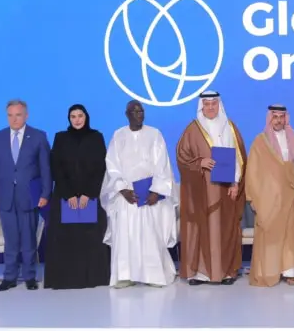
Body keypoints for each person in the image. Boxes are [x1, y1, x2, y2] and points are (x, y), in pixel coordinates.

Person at [99, 100, 178, 288]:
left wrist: (156, 191)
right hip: (126, 196)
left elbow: (162, 165)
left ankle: (154, 275)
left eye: (141, 111)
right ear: (127, 114)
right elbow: (112, 166)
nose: (139, 114)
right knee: (126, 237)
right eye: (134, 111)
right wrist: (122, 189)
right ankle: (125, 276)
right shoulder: (118, 135)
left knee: (150, 236)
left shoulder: (154, 134)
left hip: (149, 195)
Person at [177, 90, 247, 285]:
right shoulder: (192, 129)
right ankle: (201, 274)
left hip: (225, 189)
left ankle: (226, 273)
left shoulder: (230, 127)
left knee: (225, 229)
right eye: (206, 104)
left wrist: (235, 183)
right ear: (202, 106)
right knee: (201, 229)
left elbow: (239, 158)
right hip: (201, 190)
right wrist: (200, 162)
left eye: (213, 104)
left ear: (219, 105)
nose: (210, 108)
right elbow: (182, 157)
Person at [0, 99, 52, 292]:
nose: (14, 119)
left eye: (18, 115)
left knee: (29, 239)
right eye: (10, 115)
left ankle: (30, 277)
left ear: (26, 115)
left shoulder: (38, 136)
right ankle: (9, 277)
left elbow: (46, 169)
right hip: (5, 197)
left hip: (29, 197)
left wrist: (45, 193)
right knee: (10, 240)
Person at [44, 104, 111, 290]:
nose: (77, 120)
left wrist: (88, 194)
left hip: (91, 197)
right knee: (66, 239)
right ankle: (66, 279)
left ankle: (93, 278)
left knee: (91, 238)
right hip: (65, 197)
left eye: (80, 115)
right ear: (69, 119)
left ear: (86, 117)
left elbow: (101, 168)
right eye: (73, 116)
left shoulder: (96, 137)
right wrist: (69, 195)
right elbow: (56, 167)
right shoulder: (61, 138)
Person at [246, 104, 294, 287]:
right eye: (275, 117)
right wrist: (254, 197)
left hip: (291, 195)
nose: (278, 120)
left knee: (291, 234)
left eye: (281, 117)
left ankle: (290, 272)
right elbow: (253, 172)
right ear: (269, 118)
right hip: (269, 199)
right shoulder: (260, 142)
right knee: (271, 235)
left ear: (286, 118)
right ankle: (271, 271)